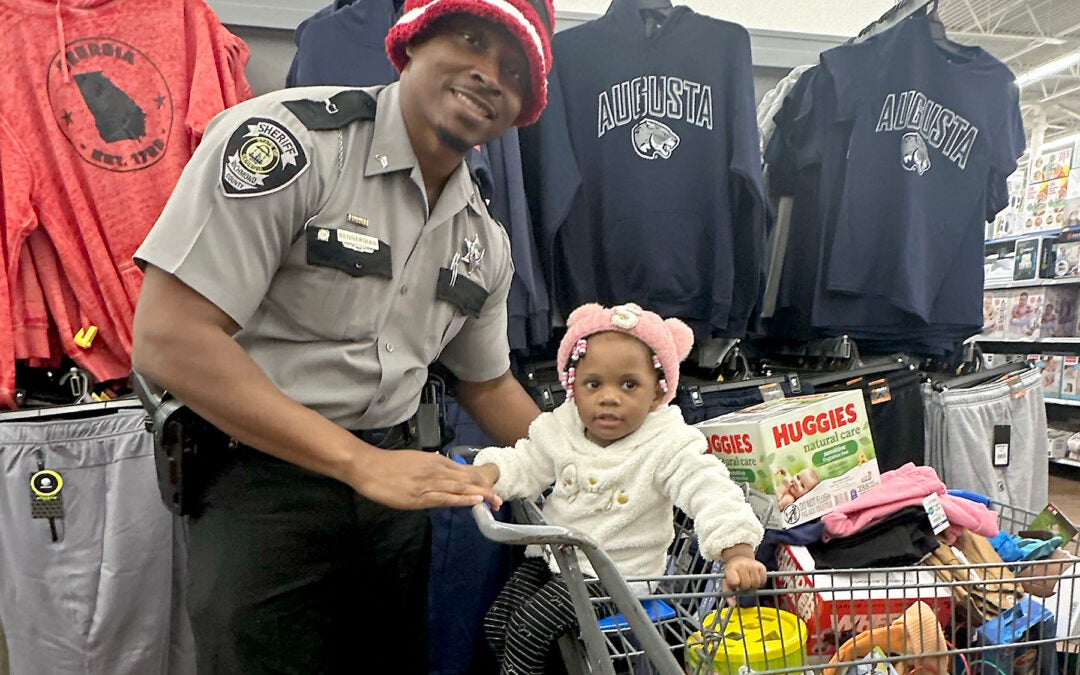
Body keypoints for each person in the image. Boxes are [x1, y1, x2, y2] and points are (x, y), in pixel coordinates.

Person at [130, 0, 554, 670]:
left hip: (394, 501)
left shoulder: (482, 237)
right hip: (263, 487)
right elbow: (170, 338)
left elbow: (487, 381)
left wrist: (591, 466)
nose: (487, 75)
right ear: (410, 42)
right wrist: (360, 463)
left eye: (513, 69)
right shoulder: (290, 143)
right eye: (469, 40)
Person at [472, 302, 767, 675]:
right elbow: (527, 460)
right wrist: (491, 472)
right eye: (593, 384)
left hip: (620, 576)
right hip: (558, 560)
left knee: (530, 629)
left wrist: (737, 550)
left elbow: (709, 489)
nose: (609, 397)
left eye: (629, 384)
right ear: (572, 387)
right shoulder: (562, 427)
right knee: (498, 622)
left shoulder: (667, 443)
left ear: (659, 393)